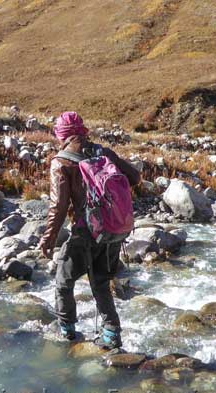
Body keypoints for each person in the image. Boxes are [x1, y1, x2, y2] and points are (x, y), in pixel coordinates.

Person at [39, 112, 141, 348]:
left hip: (85, 231)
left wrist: (49, 238)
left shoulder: (61, 161)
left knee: (64, 280)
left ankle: (67, 333)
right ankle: (112, 334)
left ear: (61, 134)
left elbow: (59, 206)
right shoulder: (102, 152)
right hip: (113, 229)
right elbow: (134, 177)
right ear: (82, 131)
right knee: (101, 282)